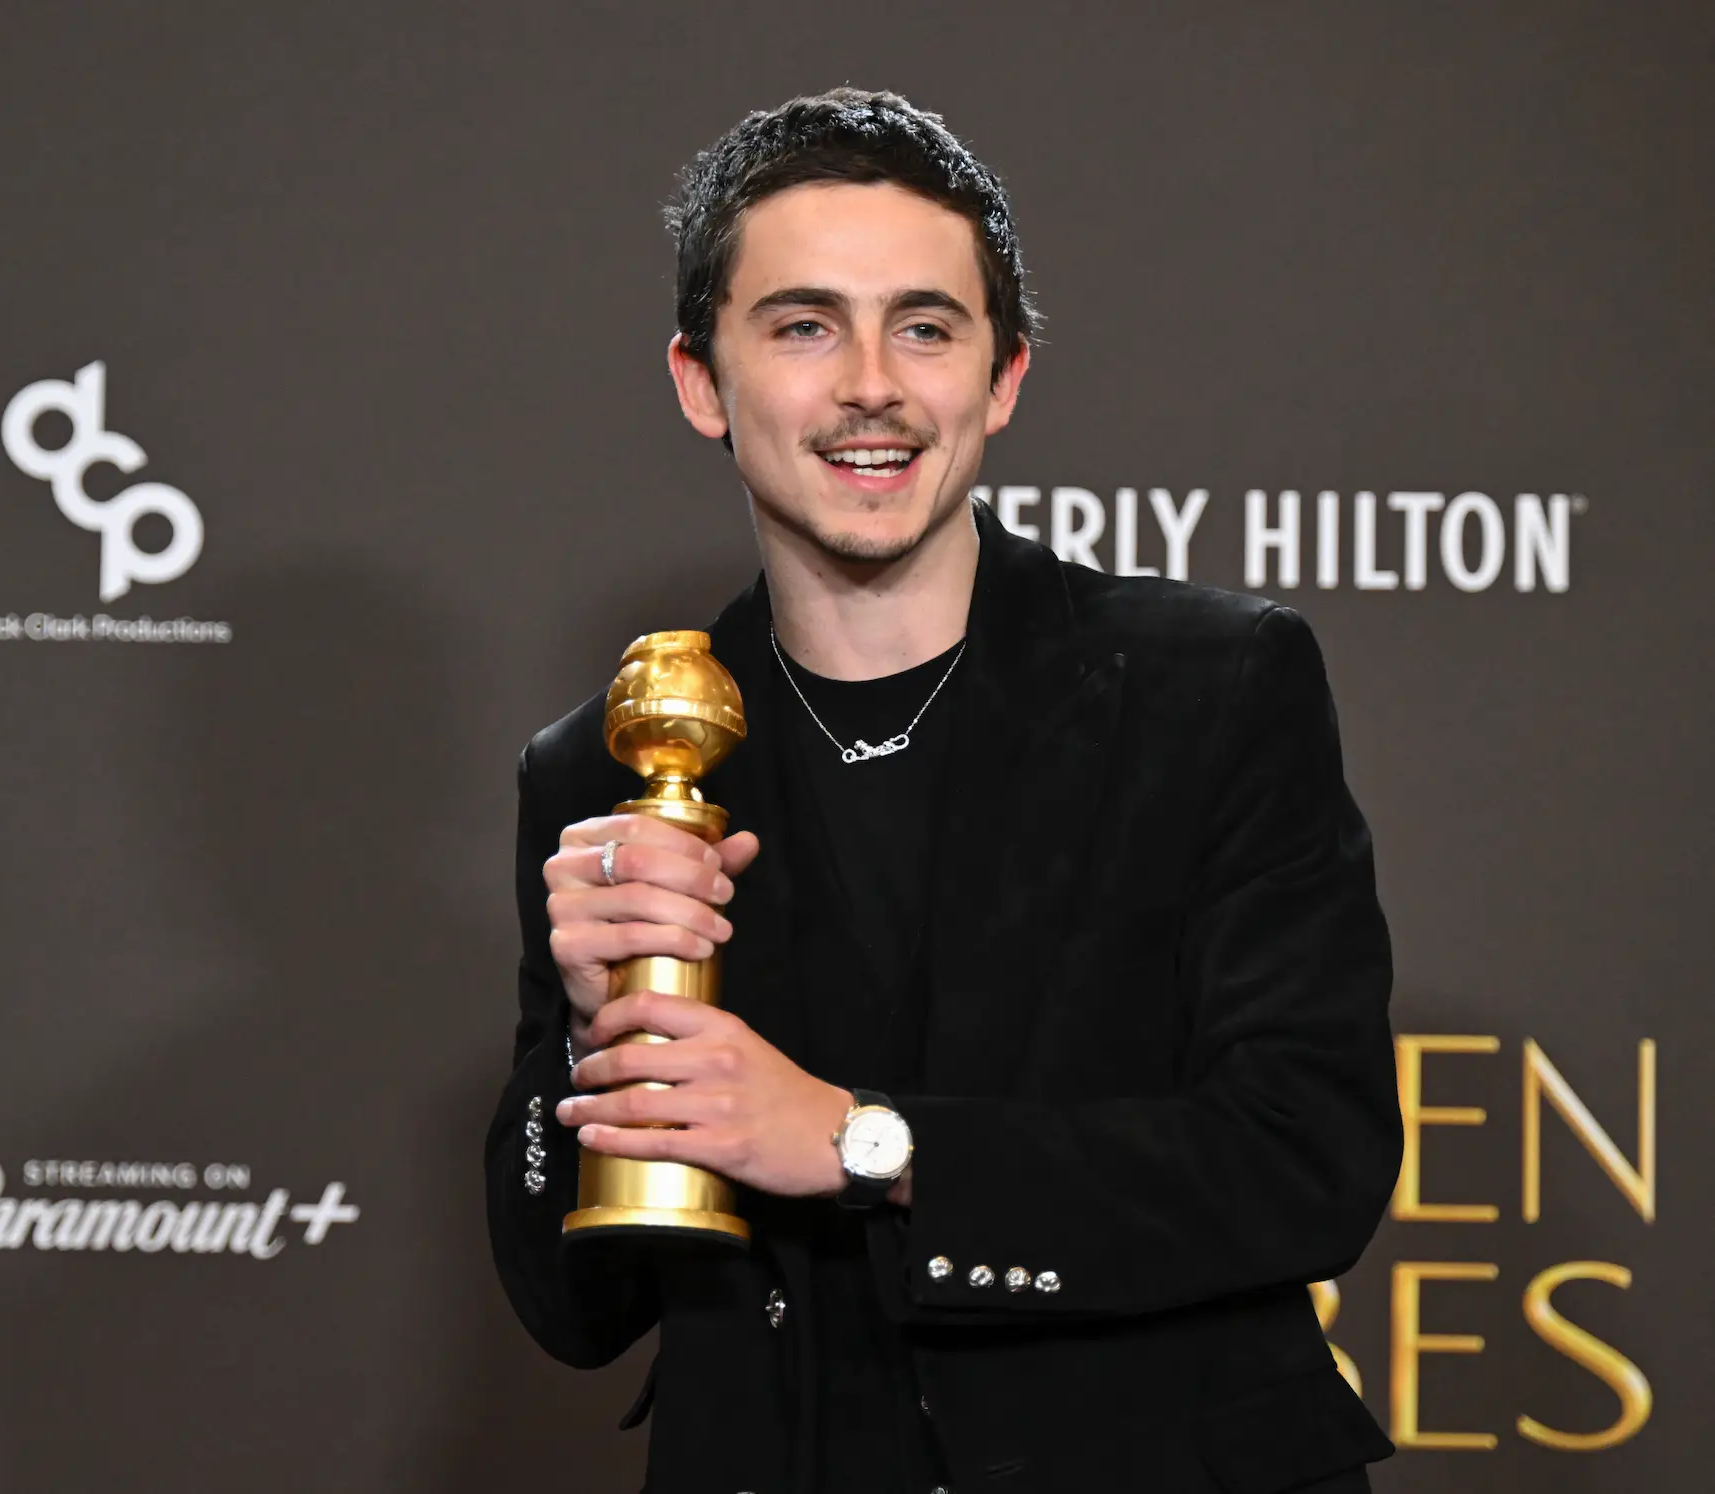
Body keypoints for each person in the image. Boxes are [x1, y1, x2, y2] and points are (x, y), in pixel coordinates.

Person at [483, 87, 1402, 1494]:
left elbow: (1306, 1158)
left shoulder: (1210, 688)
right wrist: (593, 1047)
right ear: (698, 381)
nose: (870, 383)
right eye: (802, 326)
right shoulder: (606, 766)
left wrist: (859, 1141)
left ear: (1002, 376)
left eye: (924, 324)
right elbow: (575, 1310)